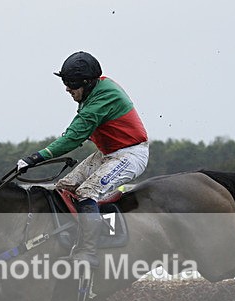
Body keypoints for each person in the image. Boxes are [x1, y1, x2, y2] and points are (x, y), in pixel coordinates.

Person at [17, 51, 149, 267]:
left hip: (130, 154)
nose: (67, 89)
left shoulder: (102, 99)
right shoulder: (95, 89)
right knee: (63, 187)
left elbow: (72, 138)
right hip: (109, 153)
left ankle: (89, 251)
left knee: (87, 191)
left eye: (71, 84)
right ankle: (69, 237)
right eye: (66, 83)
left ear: (87, 83)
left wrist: (35, 158)